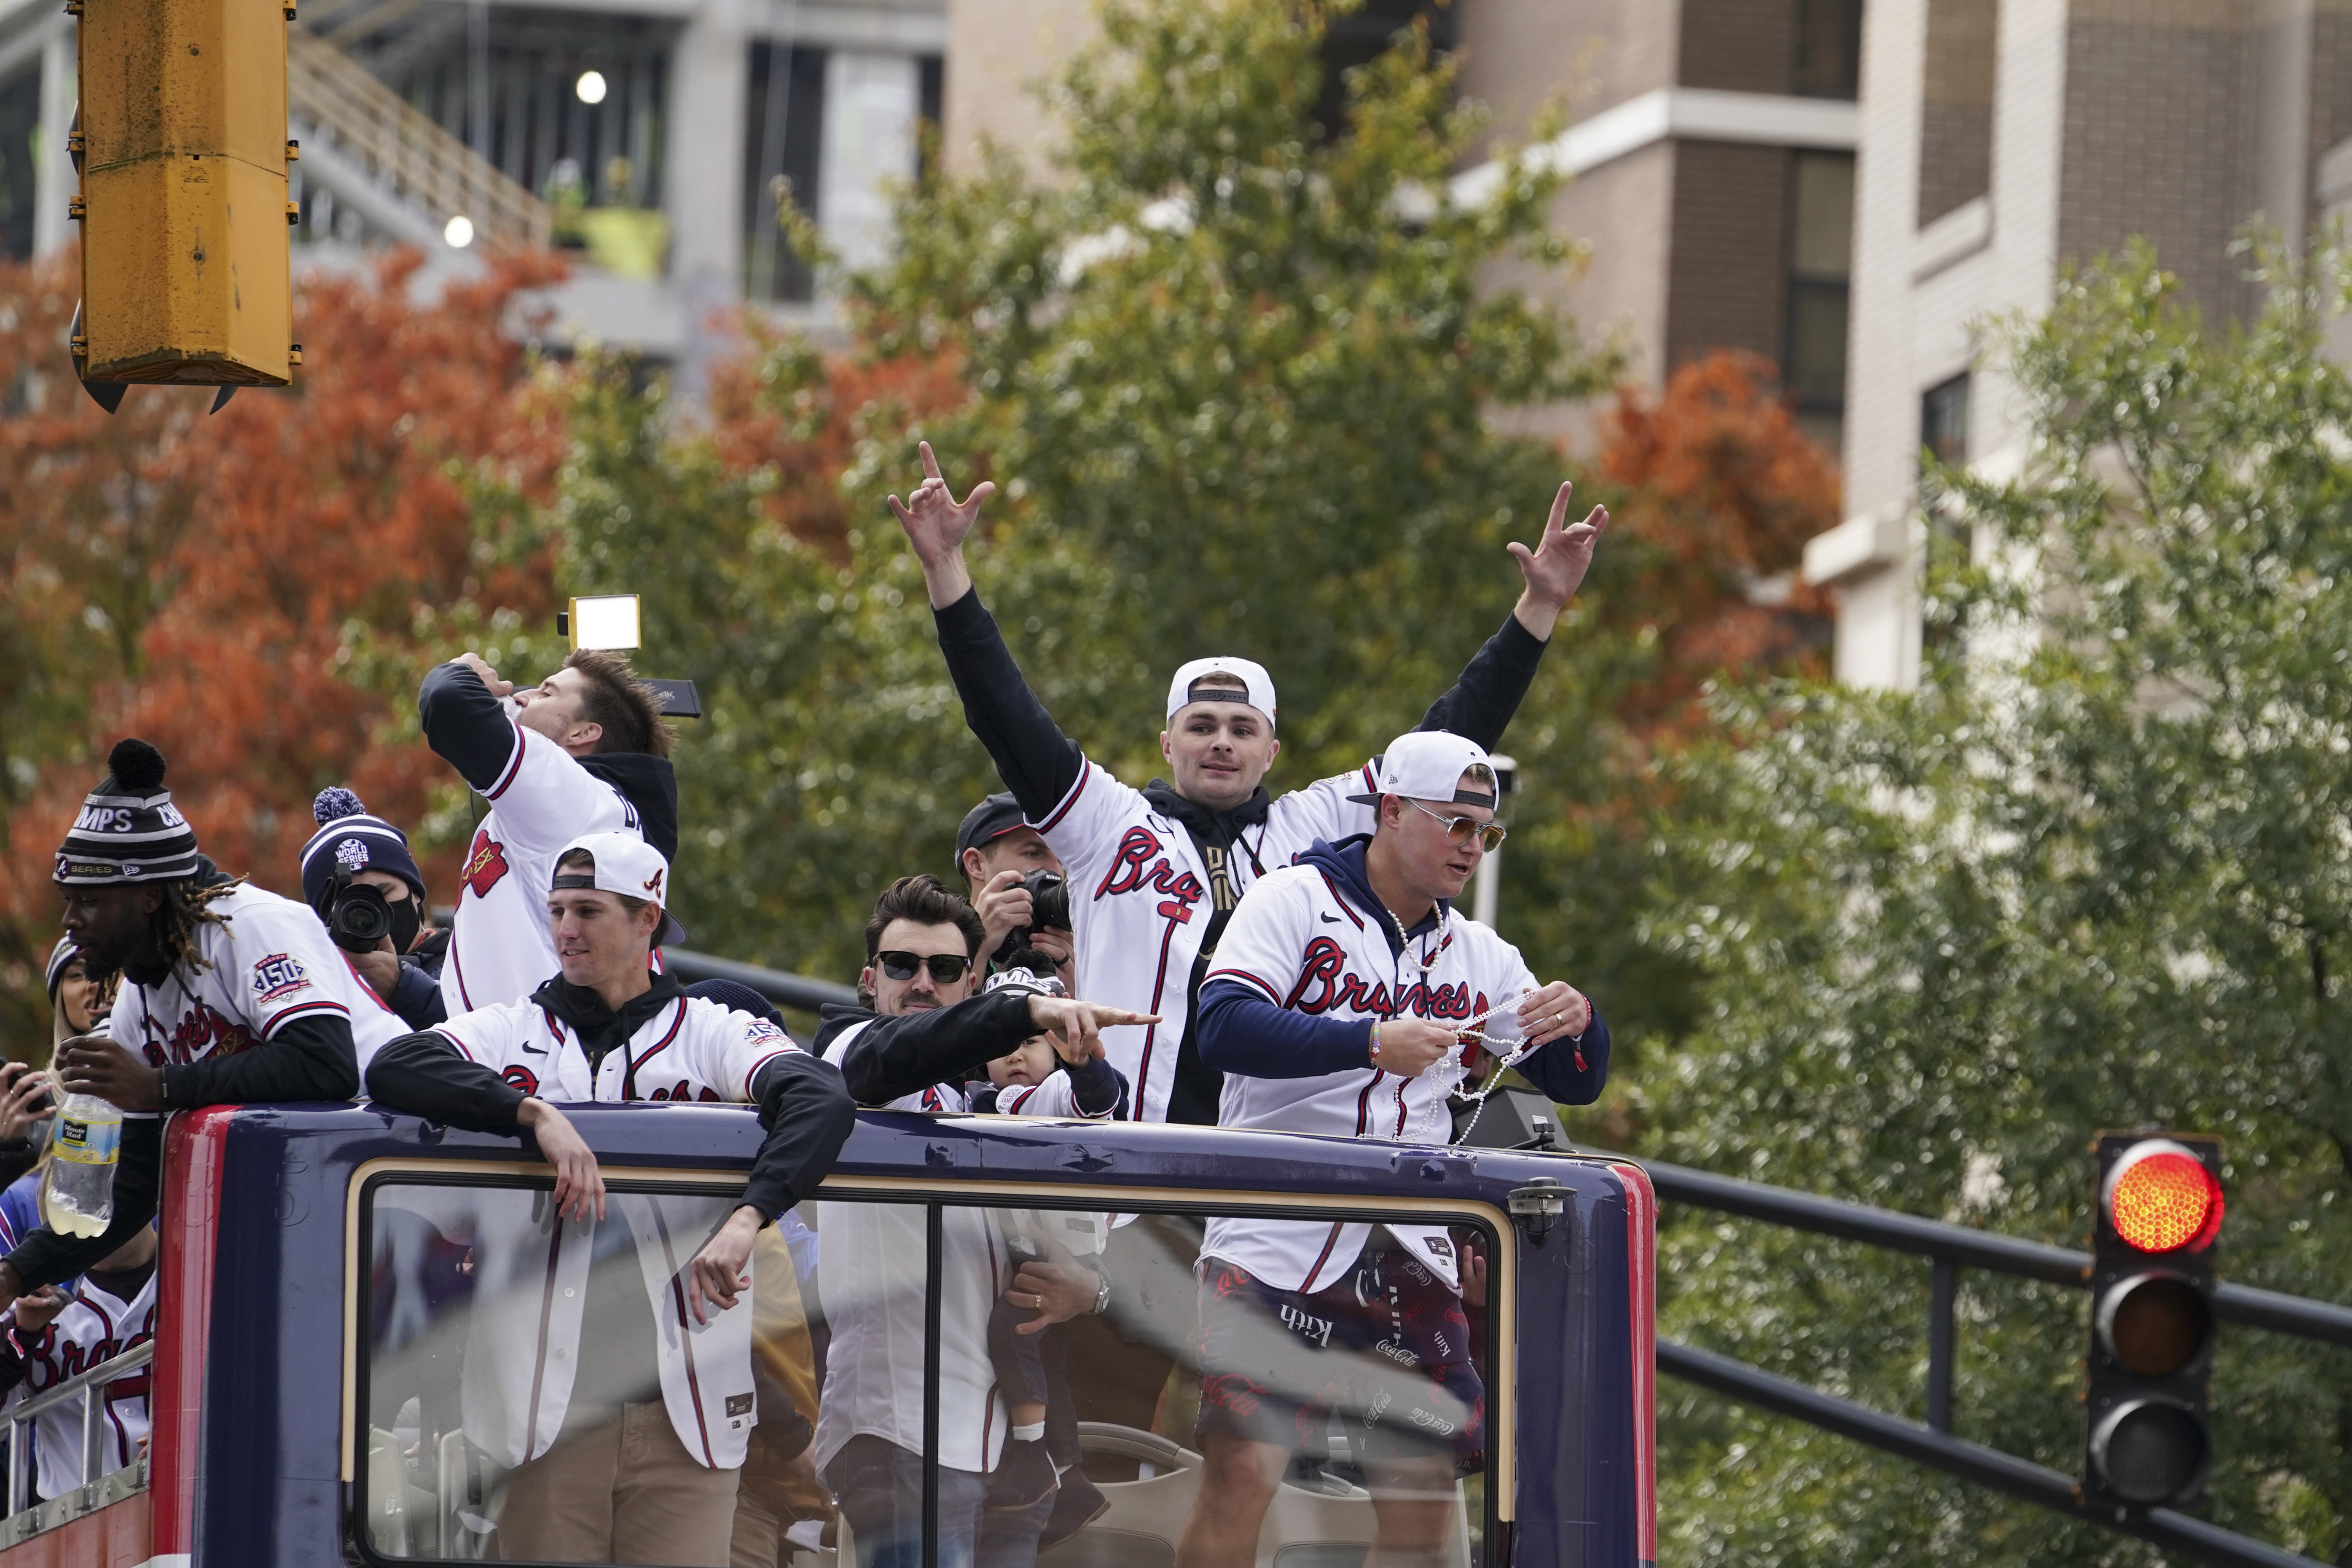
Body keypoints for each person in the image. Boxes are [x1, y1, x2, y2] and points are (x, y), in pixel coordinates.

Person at [891, 440, 1607, 1128]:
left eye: (1243, 727)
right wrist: (945, 570)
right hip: (1128, 1166)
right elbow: (1005, 715)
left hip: (1269, 1173)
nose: (1223, 741)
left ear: (1272, 751)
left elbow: (1444, 752)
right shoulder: (1110, 826)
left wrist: (1538, 609)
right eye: (1202, 725)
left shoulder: (1316, 826)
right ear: (1168, 744)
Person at [1176, 731, 1611, 1568]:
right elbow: (1221, 1026)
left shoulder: (1477, 950)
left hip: (1407, 1253)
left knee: (1422, 1503)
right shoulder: (1293, 899)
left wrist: (1579, 1021)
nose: (1469, 846)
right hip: (1275, 1235)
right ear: (1390, 811)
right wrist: (1367, 1040)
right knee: (1243, 1473)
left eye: (1484, 831)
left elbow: (1576, 1080)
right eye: (1453, 823)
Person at [364, 832, 855, 1568]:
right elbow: (396, 1065)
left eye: (589, 911)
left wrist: (747, 1219)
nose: (566, 928)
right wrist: (530, 1115)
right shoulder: (513, 1029)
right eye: (558, 909)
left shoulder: (708, 1033)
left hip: (686, 1416)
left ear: (646, 917)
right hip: (544, 1417)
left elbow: (821, 1097)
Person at [0, 739, 407, 1316]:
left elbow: (326, 1063)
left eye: (87, 901)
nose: (70, 921)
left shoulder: (253, 924)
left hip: (405, 1176)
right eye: (68, 901)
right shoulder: (137, 1005)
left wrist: (160, 1089)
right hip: (319, 1207)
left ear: (146, 897)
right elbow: (134, 1192)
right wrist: (18, 1272)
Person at [812, 877, 1148, 1568]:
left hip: (989, 1435)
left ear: (969, 983)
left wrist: (1083, 1286)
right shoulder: (845, 1054)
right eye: (903, 965)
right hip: (899, 1429)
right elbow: (891, 1058)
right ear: (870, 979)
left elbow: (1092, 1118)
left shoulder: (970, 1099)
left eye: (943, 970)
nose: (921, 982)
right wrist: (1021, 1013)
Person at [419, 646, 680, 1014]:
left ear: (583, 733)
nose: (521, 696)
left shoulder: (574, 795)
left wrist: (460, 670)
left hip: (539, 1059)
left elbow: (449, 703)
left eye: (546, 693)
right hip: (527, 1051)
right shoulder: (589, 806)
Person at [0, 1220, 156, 1503]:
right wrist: (22, 1334)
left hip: (193, 1496)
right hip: (70, 1517)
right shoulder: (26, 1298)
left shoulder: (209, 1271)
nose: (106, 1214)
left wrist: (187, 1427)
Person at [300, 787, 446, 1030]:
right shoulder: (310, 995)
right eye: (350, 904)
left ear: (416, 893)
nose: (367, 912)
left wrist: (401, 988)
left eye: (384, 893)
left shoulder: (465, 961)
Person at [955, 793, 1074, 989]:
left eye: (1062, 858)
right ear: (976, 865)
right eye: (1033, 853)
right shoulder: (928, 946)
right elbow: (930, 1019)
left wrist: (1081, 996)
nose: (1056, 871)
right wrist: (977, 950)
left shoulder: (1081, 952)